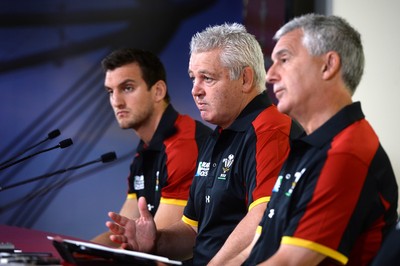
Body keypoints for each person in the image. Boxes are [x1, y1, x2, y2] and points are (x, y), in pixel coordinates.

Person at [105, 23, 302, 265]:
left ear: (245, 79)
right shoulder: (218, 136)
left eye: (207, 78)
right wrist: (157, 241)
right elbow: (193, 231)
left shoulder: (271, 130)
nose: (195, 91)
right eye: (192, 79)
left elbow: (263, 220)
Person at [240, 13, 398, 265]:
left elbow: (289, 262)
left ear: (328, 65)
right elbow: (260, 247)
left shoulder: (346, 153)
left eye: (284, 59)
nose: (270, 75)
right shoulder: (309, 146)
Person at [91, 48, 212, 247]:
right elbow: (121, 235)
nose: (116, 102)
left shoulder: (184, 145)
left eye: (127, 88)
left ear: (158, 91)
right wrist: (72, 257)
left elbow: (150, 247)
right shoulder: (144, 151)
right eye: (111, 91)